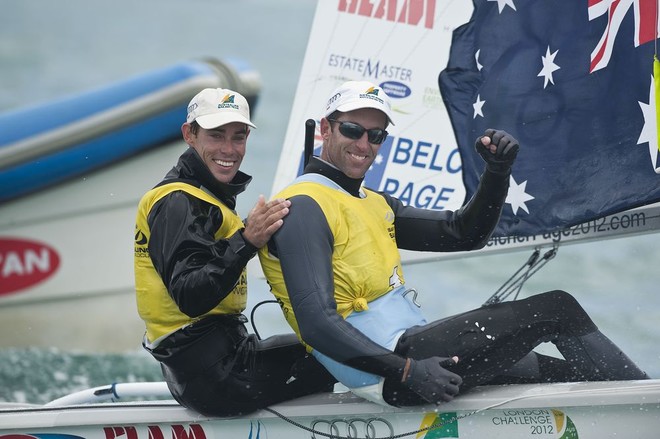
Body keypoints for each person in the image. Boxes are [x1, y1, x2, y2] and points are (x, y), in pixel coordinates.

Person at [258, 80, 648, 407]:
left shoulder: (372, 203)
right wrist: (408, 371)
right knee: (556, 308)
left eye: (376, 135)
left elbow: (464, 233)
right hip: (395, 370)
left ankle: (632, 410)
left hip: (416, 355)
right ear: (326, 129)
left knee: (569, 376)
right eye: (352, 130)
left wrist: (496, 172)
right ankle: (649, 412)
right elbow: (316, 323)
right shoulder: (305, 206)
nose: (364, 144)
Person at [134, 87, 335, 417]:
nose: (229, 149)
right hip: (217, 376)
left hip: (210, 369)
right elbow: (190, 295)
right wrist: (247, 240)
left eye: (238, 137)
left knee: (330, 349)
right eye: (216, 136)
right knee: (338, 354)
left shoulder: (203, 197)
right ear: (189, 134)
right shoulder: (178, 202)